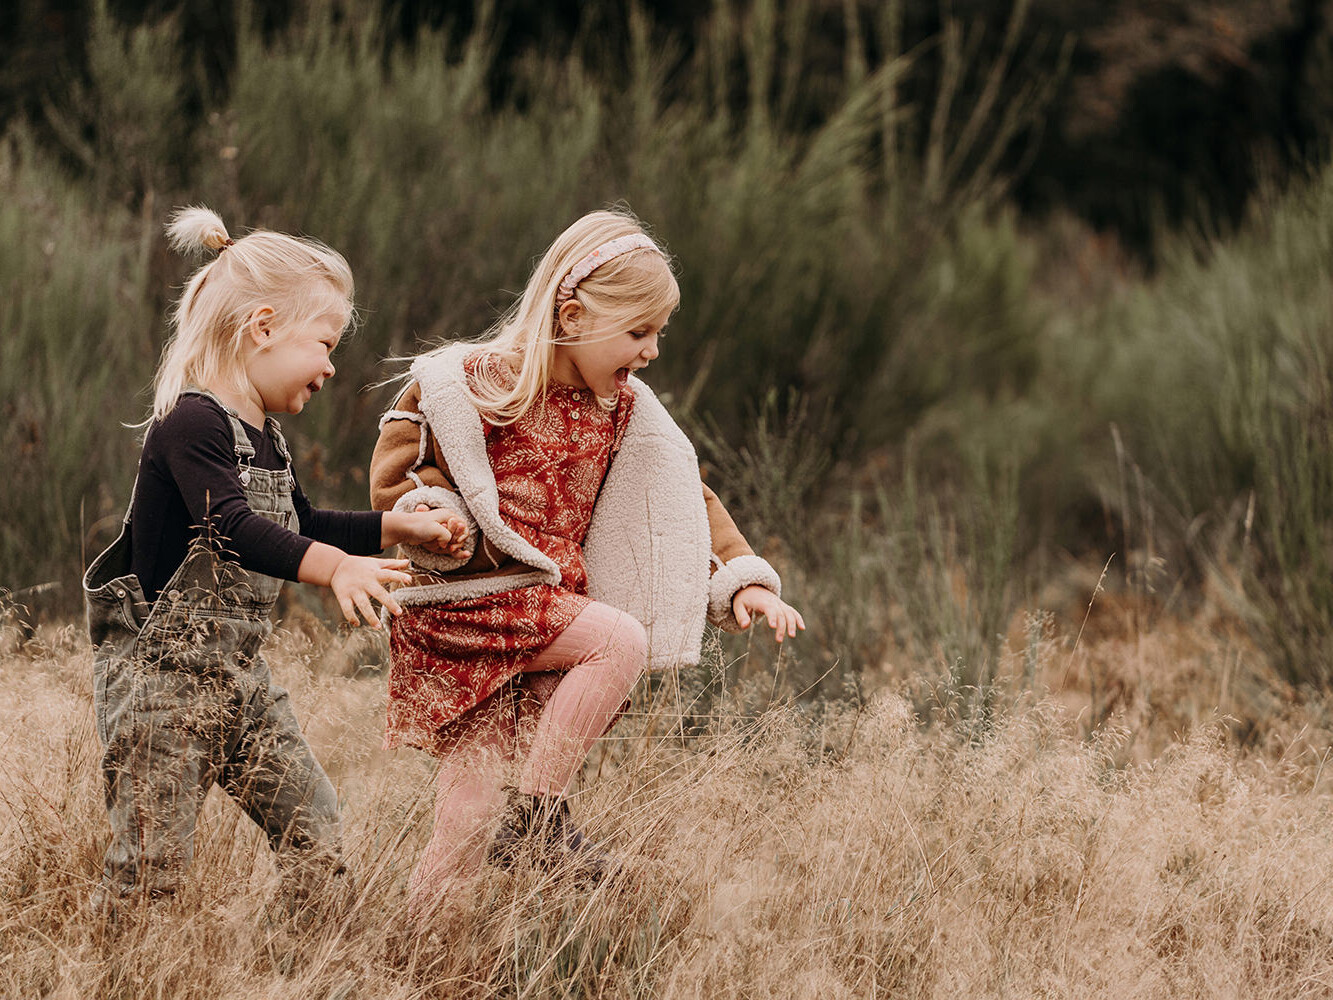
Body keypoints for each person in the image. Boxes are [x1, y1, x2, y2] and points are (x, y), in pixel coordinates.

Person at [369, 208, 806, 907]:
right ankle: (541, 819)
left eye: (659, 333)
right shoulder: (470, 383)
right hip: (469, 605)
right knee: (616, 639)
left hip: (541, 610)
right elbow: (406, 467)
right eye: (639, 332)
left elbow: (674, 503)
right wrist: (434, 517)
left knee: (468, 819)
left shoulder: (622, 407)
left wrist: (736, 577)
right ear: (570, 317)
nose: (652, 350)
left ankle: (412, 951)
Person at [83, 206, 458, 910]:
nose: (331, 363)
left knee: (313, 822)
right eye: (324, 341)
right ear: (262, 327)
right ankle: (120, 974)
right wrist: (335, 568)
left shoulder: (269, 438)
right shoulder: (190, 422)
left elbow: (304, 522)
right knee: (151, 869)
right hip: (160, 688)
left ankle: (305, 963)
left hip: (239, 682)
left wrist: (394, 527)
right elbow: (229, 526)